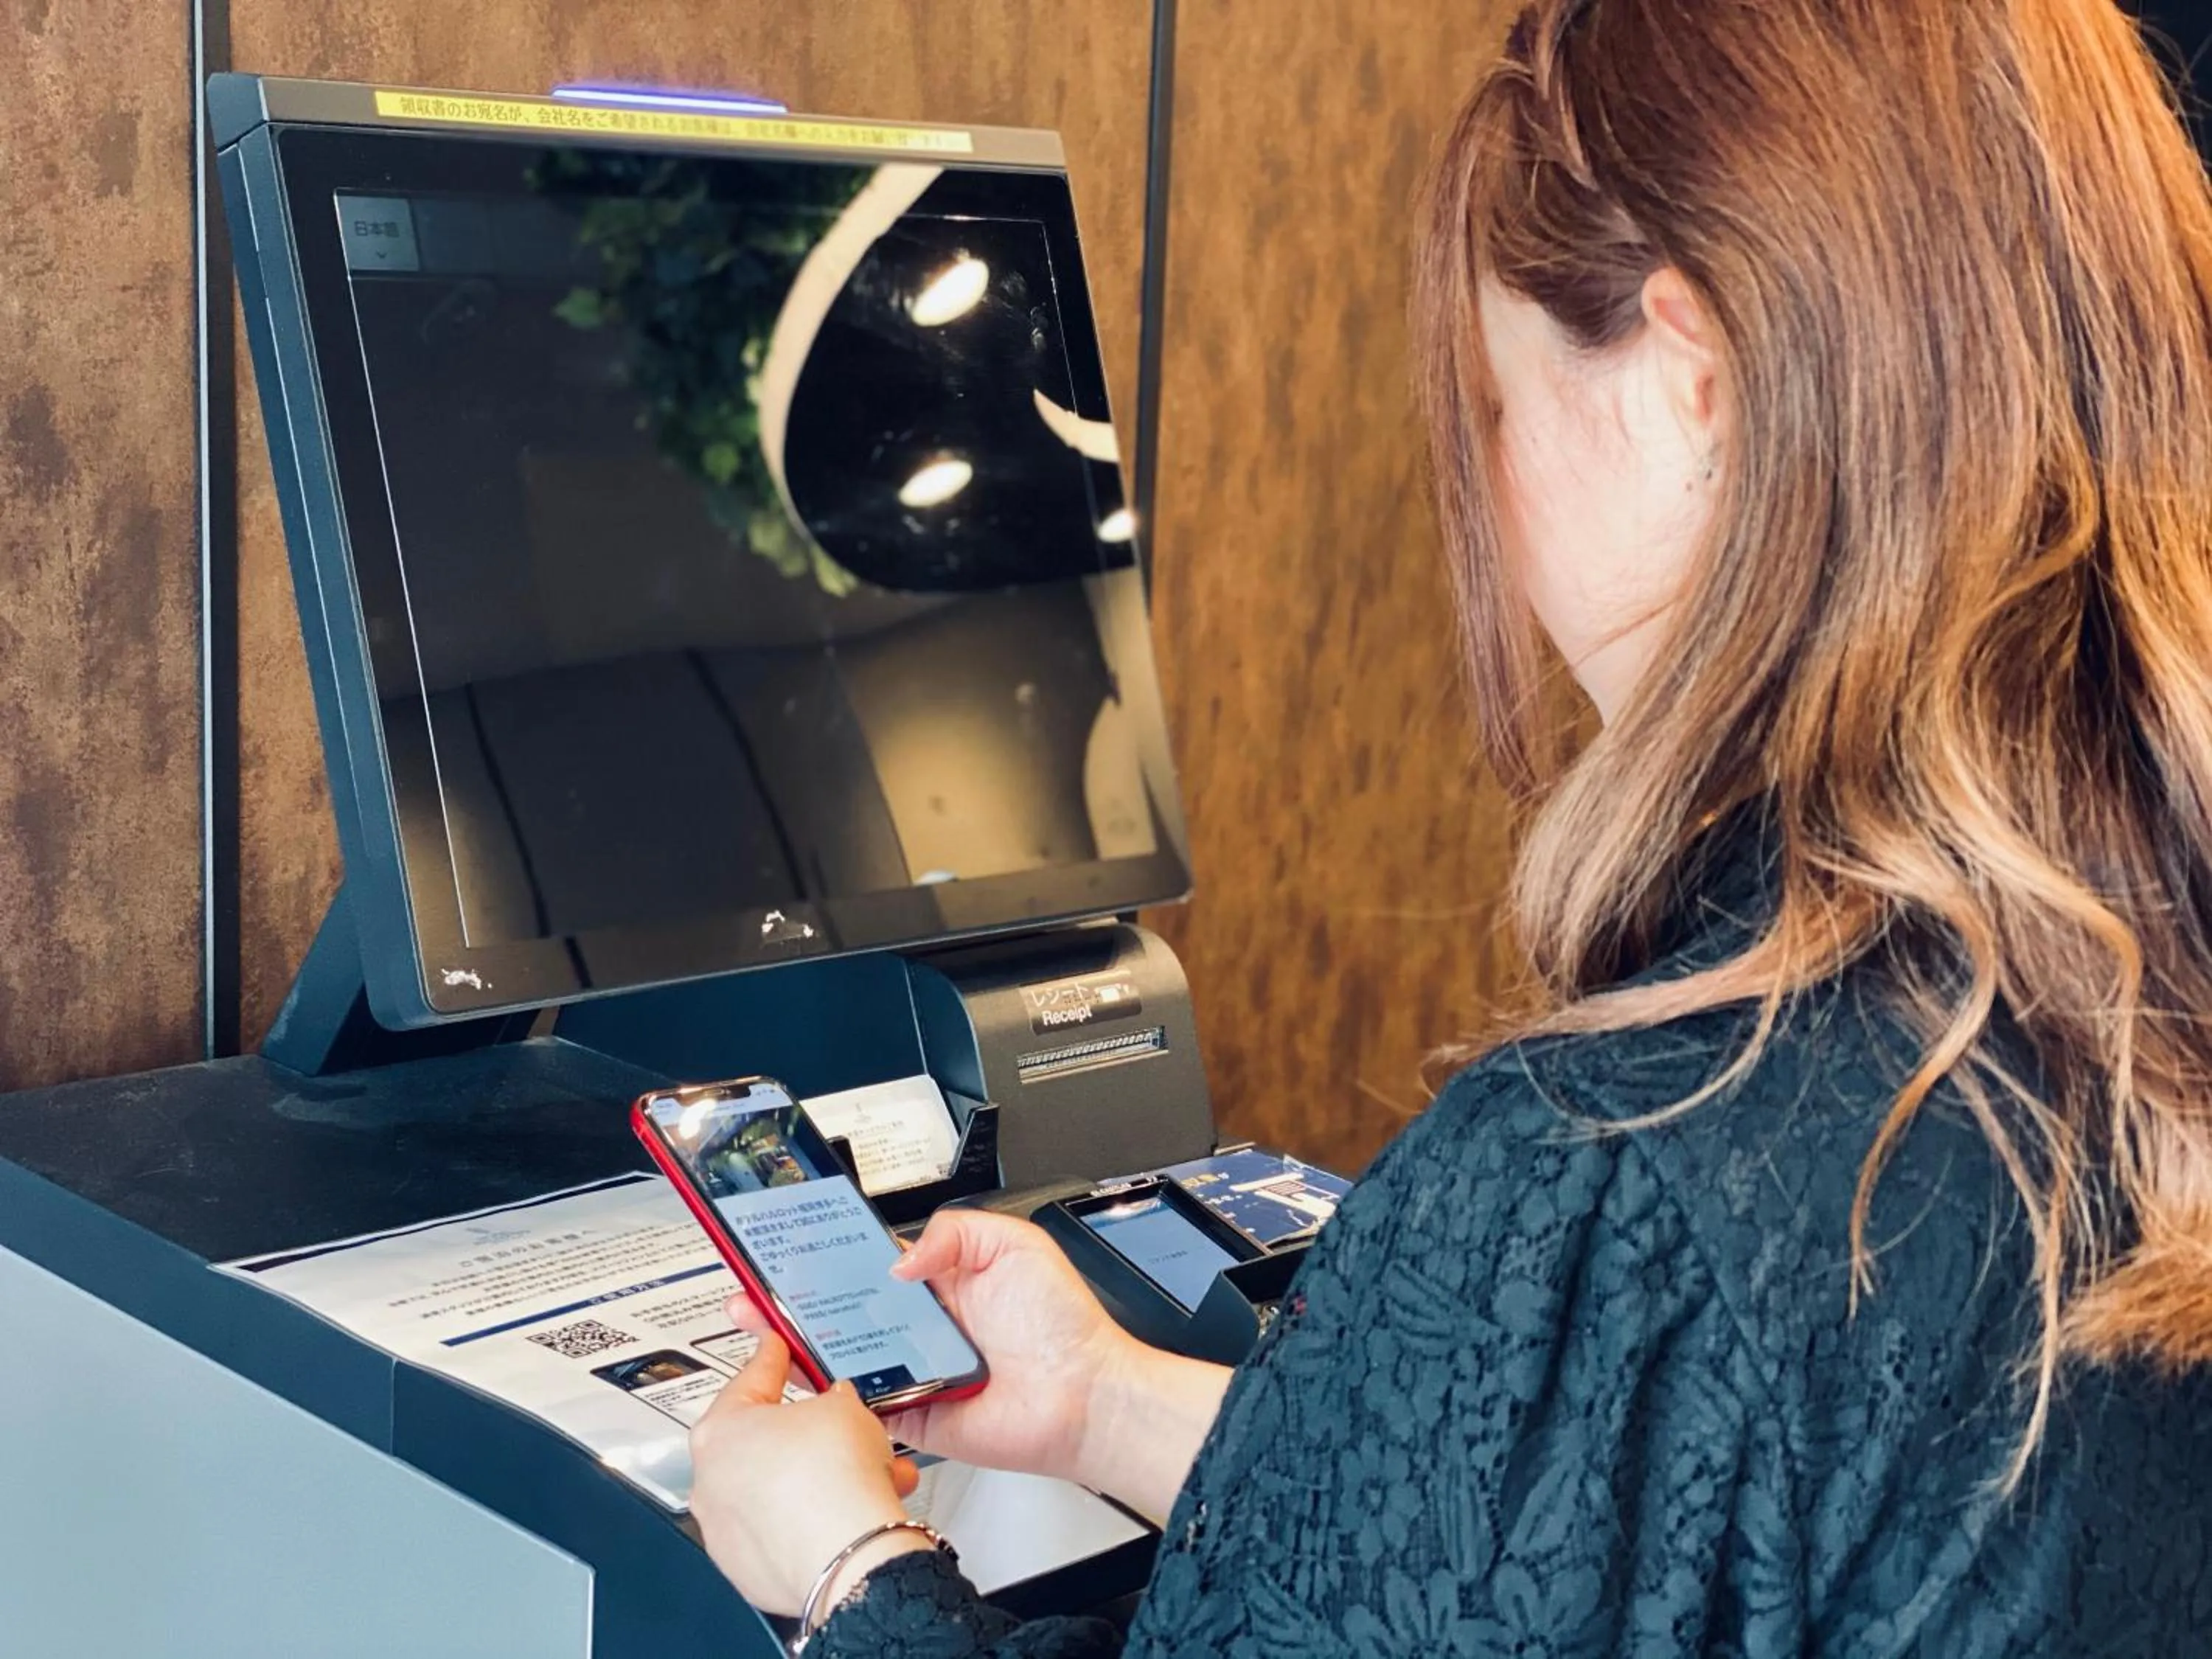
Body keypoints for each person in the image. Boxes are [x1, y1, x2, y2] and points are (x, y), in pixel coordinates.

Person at [687, 0, 2212, 1651]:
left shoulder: (1615, 1185)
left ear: (1690, 382)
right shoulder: (2120, 1007)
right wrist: (1111, 1401)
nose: (1493, 487)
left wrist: (850, 1569)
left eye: (1498, 398)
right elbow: (1592, 1555)